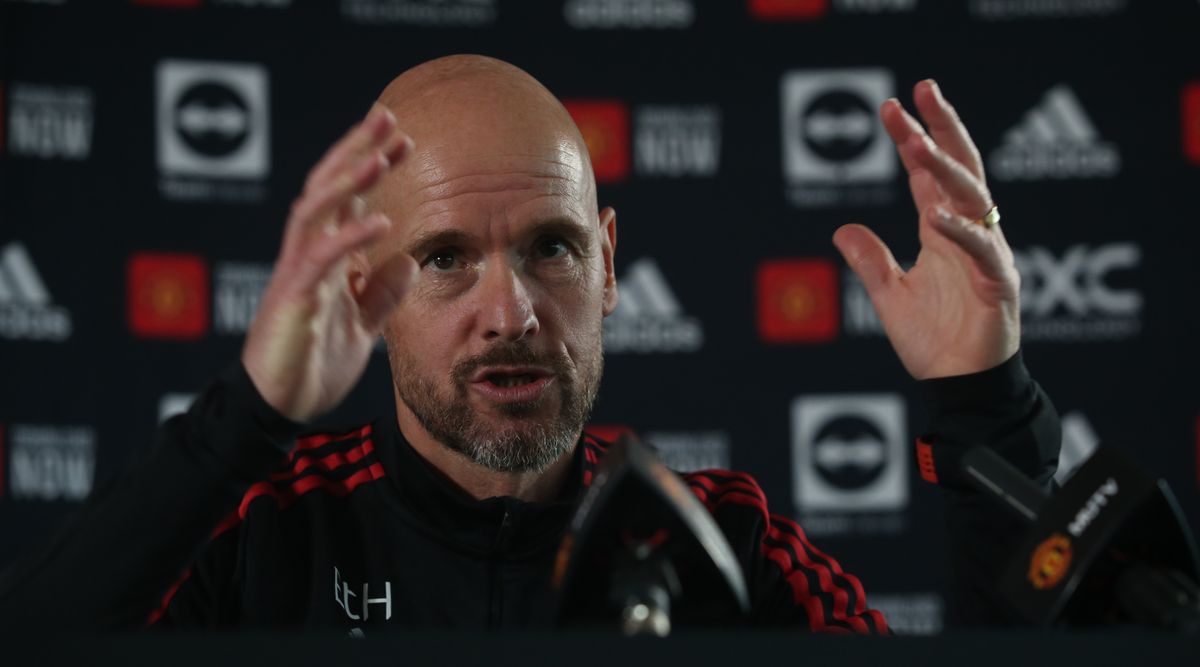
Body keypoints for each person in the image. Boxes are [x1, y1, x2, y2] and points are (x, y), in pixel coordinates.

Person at [0, 55, 1058, 632]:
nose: (509, 312)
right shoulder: (263, 531)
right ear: (369, 285)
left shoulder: (725, 544)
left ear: (606, 266)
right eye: (446, 258)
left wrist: (983, 401)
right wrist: (248, 421)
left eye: (551, 247)